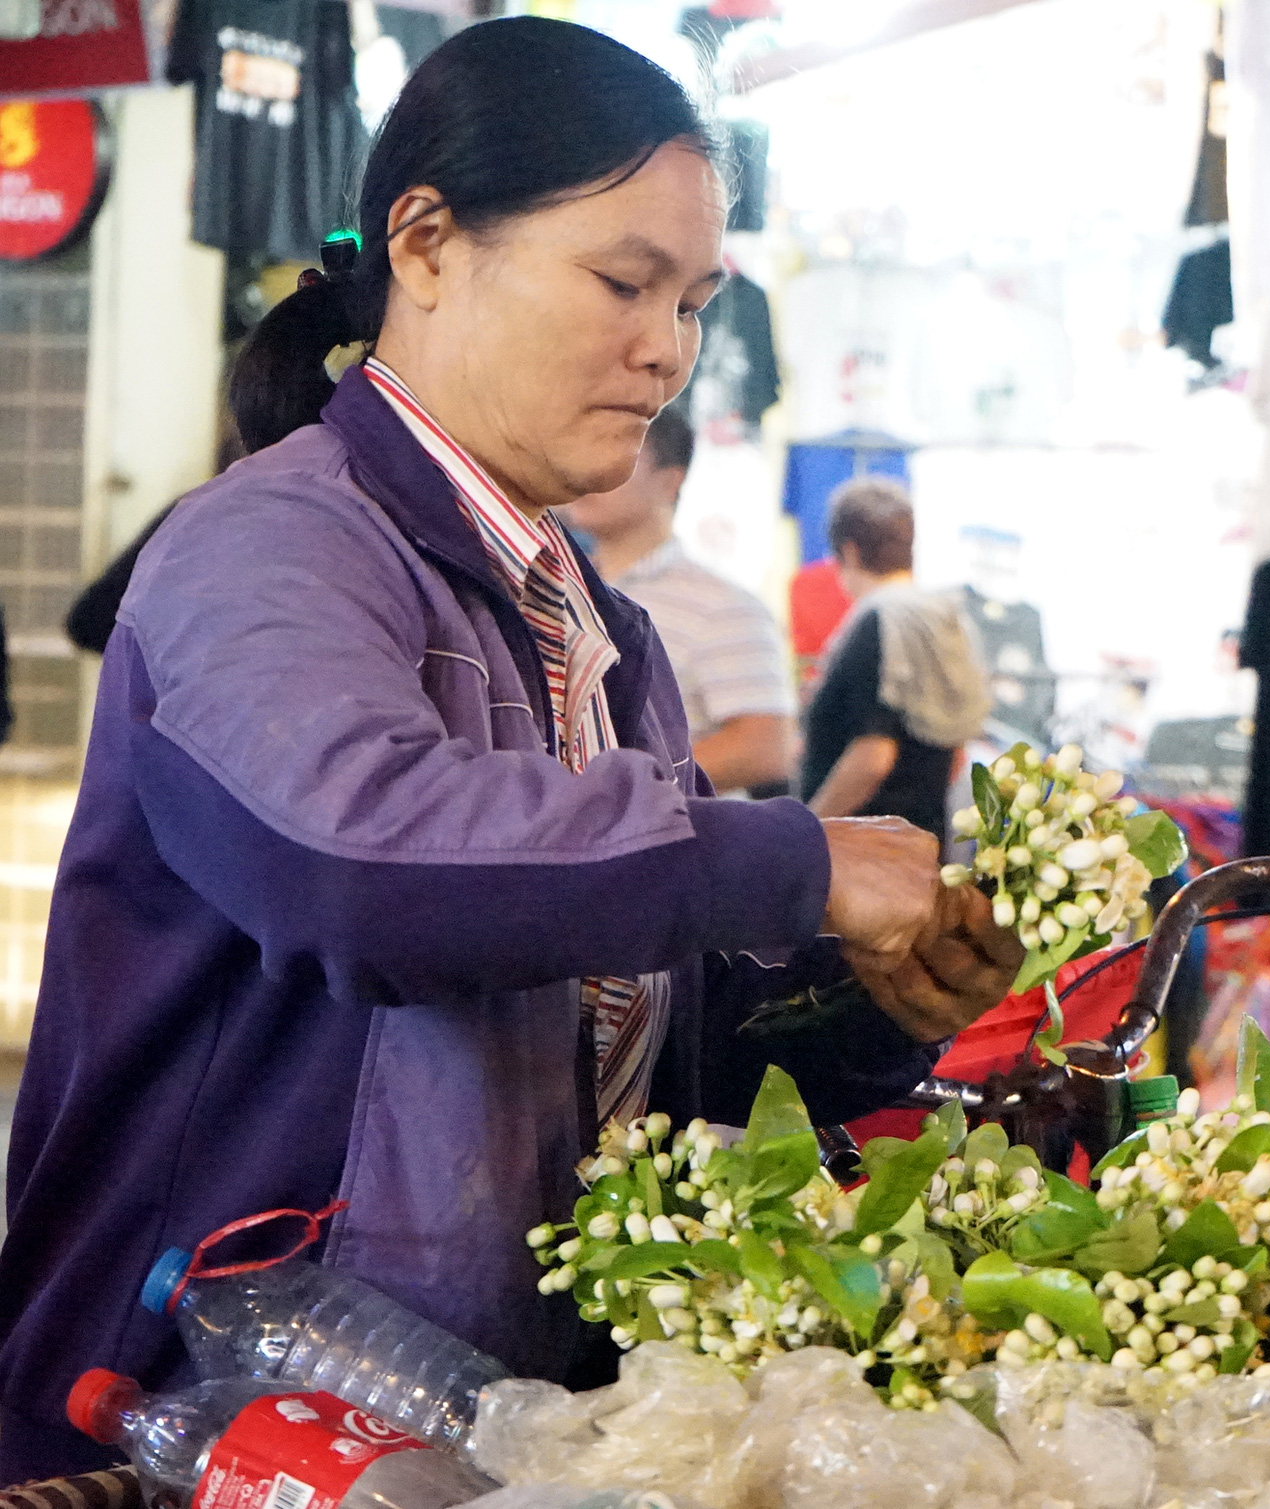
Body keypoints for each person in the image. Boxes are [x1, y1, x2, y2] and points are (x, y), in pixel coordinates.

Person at [0, 20, 1022, 1482]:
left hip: (463, 1437)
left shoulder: (604, 632)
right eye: (622, 281)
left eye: (694, 302)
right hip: (185, 1425)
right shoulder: (271, 543)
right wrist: (795, 858)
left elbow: (630, 1035)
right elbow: (358, 860)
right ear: (425, 242)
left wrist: (861, 996)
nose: (665, 348)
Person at [564, 409, 795, 795]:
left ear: (671, 480)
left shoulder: (723, 604)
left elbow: (765, 747)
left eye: (615, 455)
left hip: (677, 841)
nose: (590, 474)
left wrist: (615, 792)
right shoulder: (561, 584)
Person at [802, 479, 991, 842]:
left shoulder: (878, 622)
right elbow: (954, 752)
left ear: (850, 551)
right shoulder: (948, 620)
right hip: (924, 839)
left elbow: (873, 756)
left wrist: (806, 832)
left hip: (863, 850)